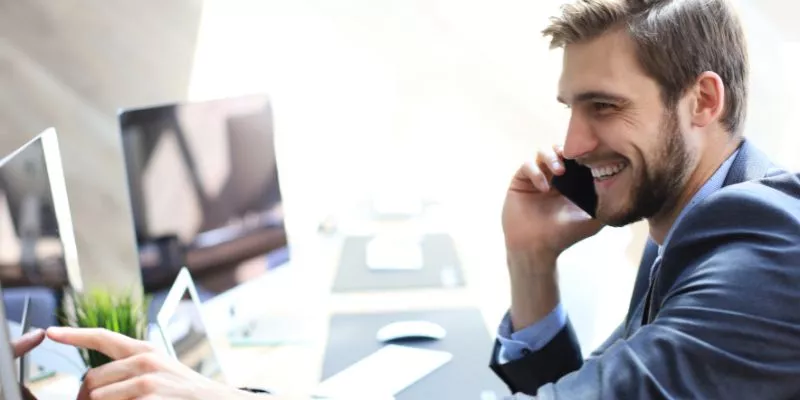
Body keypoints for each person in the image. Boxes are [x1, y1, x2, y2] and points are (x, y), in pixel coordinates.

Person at [12, 0, 800, 398]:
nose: (571, 141)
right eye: (569, 107)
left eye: (603, 107)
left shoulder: (759, 247)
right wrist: (531, 260)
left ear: (702, 100)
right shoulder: (689, 229)